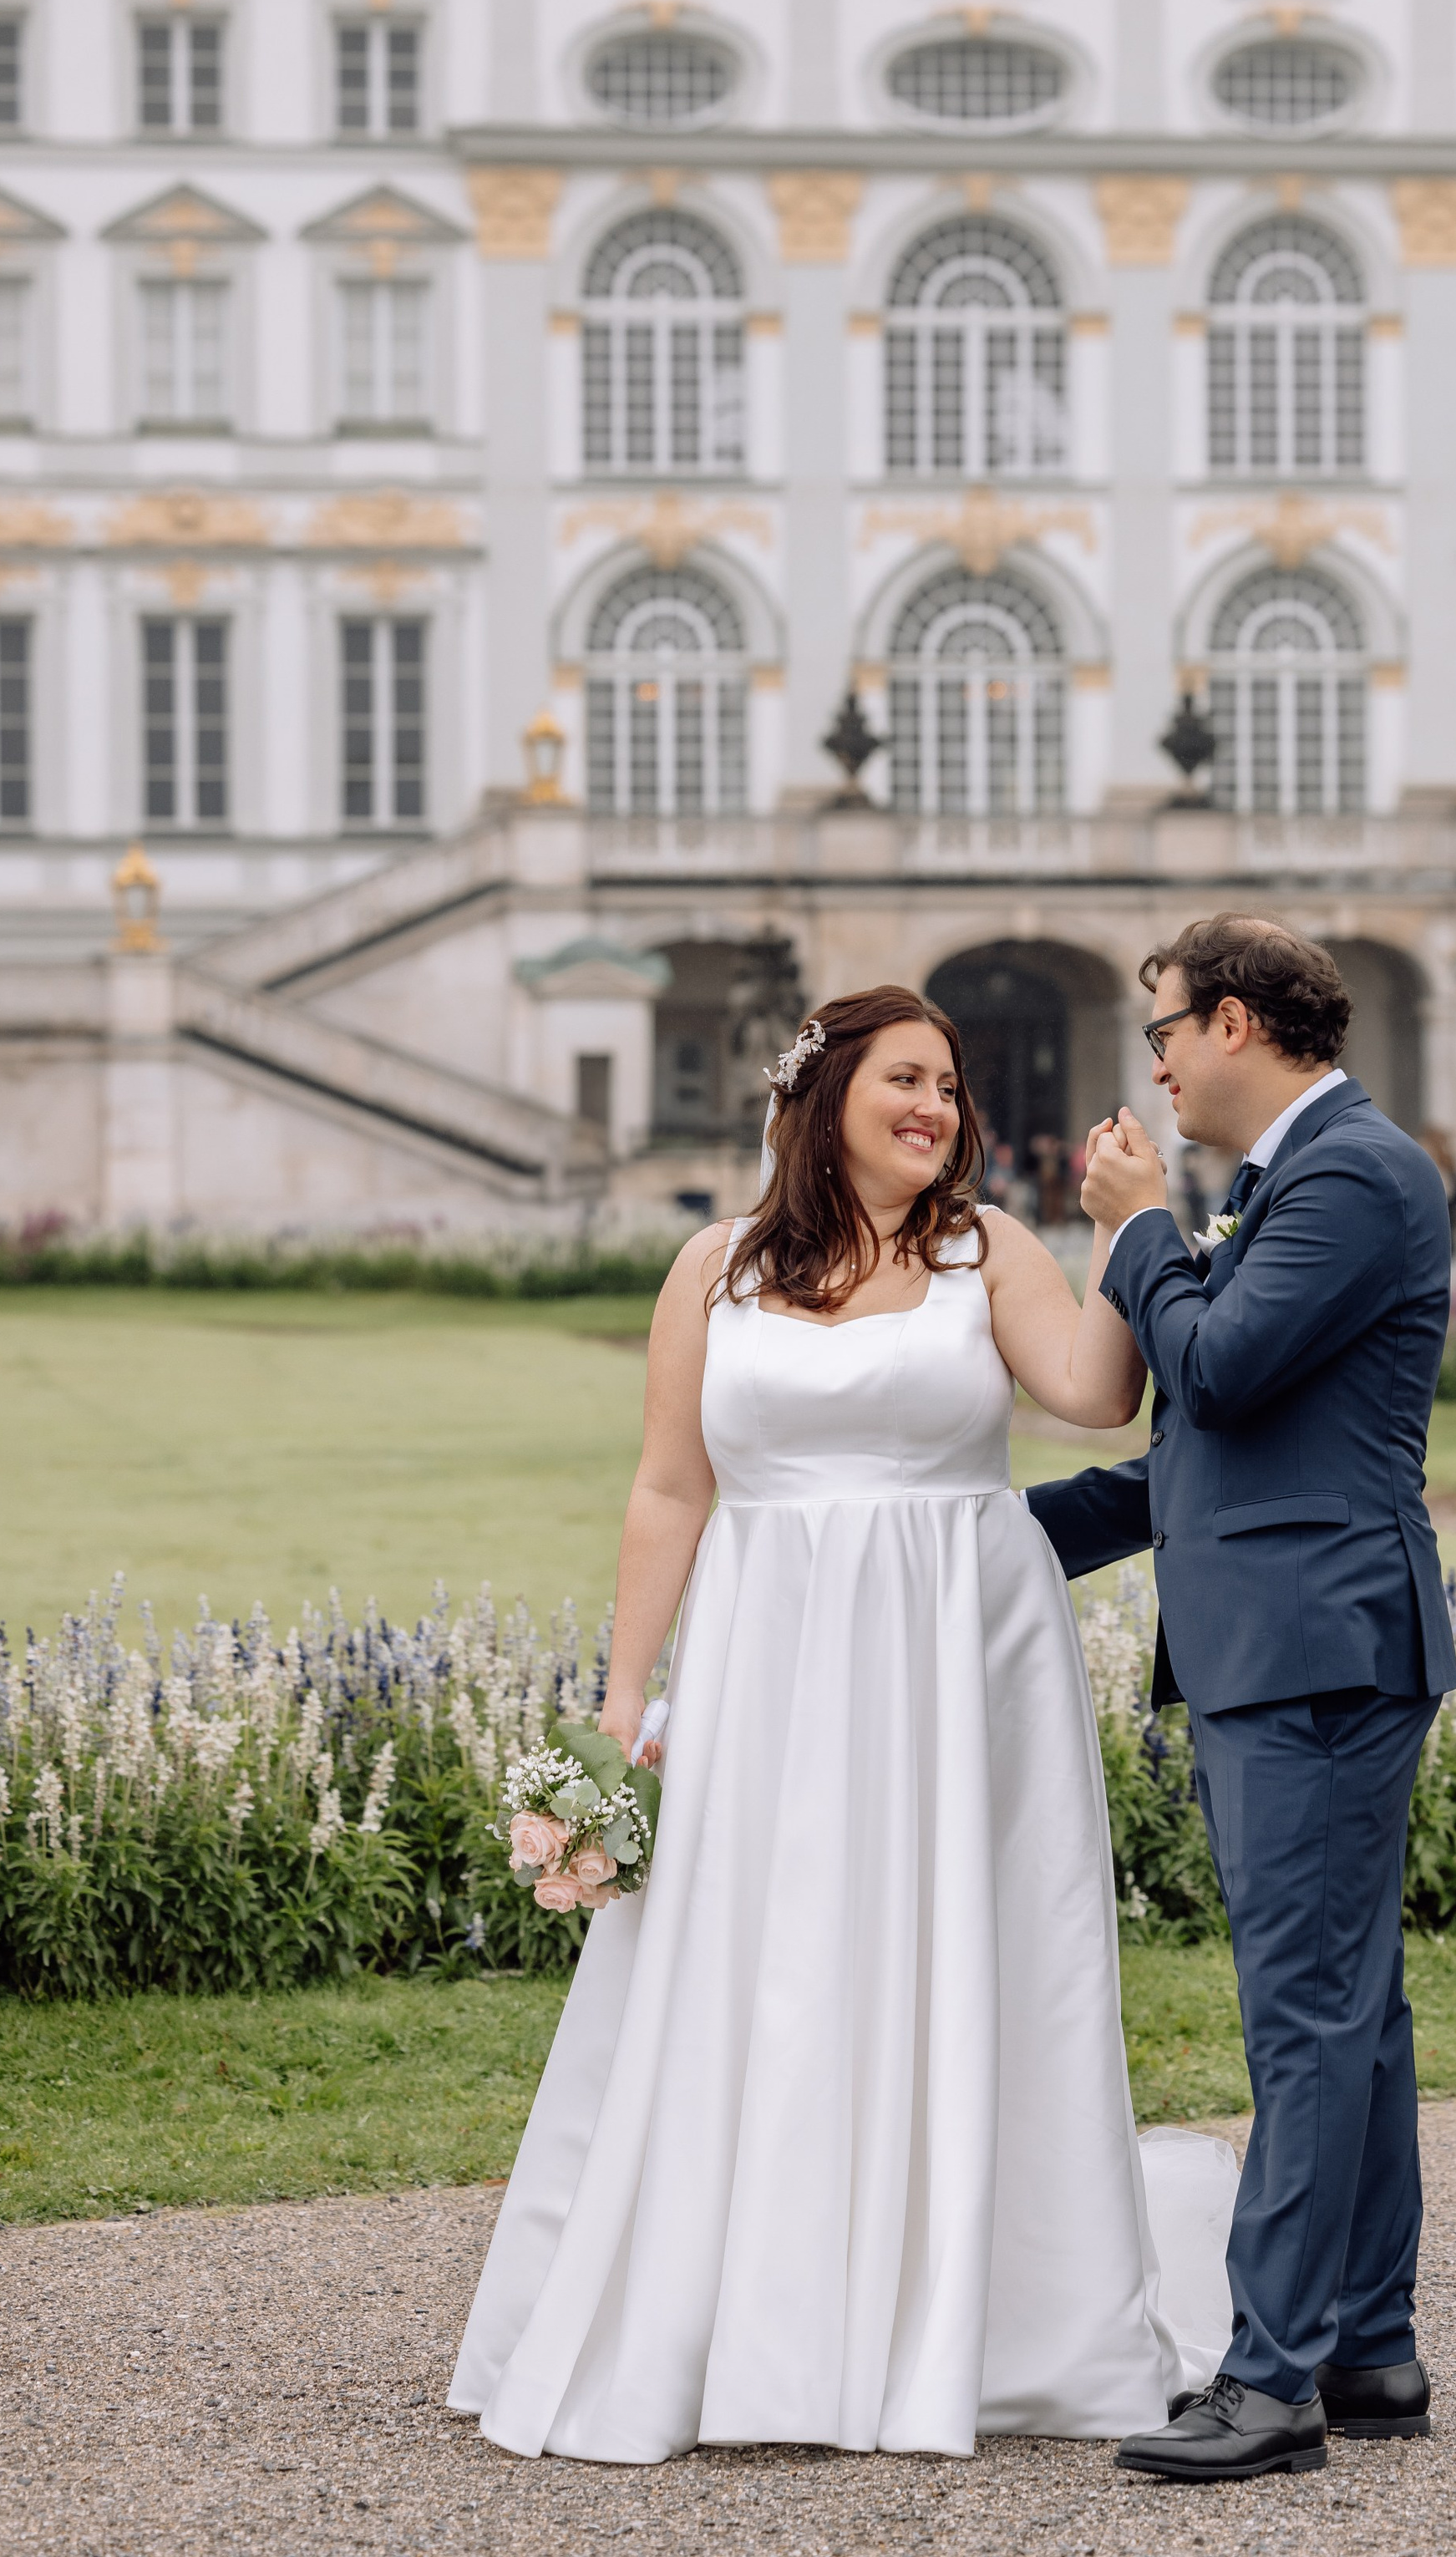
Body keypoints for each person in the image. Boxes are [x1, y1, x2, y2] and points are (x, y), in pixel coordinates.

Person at [448, 985, 1231, 2463]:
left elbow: (1092, 1392)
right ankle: (750, 2316)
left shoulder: (983, 1249)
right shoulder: (714, 1268)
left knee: (956, 1949)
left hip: (956, 1649)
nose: (936, 1107)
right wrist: (622, 1703)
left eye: (950, 1085)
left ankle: (964, 2317)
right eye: (906, 1080)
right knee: (767, 1960)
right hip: (767, 1653)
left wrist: (1138, 1228)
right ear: (825, 1097)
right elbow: (671, 1489)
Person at [1029, 917, 1456, 2487]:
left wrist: (1140, 1228)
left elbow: (1217, 1369)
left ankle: (1272, 2381)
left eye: (1163, 1034)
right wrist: (1002, 1536)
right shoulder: (1300, 1179)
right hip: (1291, 1645)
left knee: (1312, 2019)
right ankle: (1363, 2340)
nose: (1151, 1065)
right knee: (1356, 2015)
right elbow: (1213, 1449)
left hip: (1318, 1655)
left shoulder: (1352, 1172)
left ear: (1231, 1023)